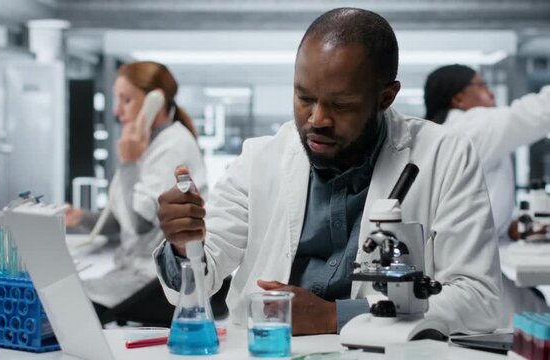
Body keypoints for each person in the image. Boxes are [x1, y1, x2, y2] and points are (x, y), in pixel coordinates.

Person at [153, 8, 501, 335]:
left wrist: (335, 317)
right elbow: (201, 276)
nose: (317, 120)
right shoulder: (259, 159)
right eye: (304, 98)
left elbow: (479, 298)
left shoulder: (445, 156)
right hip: (268, 348)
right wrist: (185, 246)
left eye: (342, 104)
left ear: (386, 97)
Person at [65, 61, 208, 324]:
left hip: (154, 282)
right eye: (116, 99)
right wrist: (80, 217)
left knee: (65, 311)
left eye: (126, 99)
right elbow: (121, 223)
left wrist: (129, 163)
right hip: (130, 274)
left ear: (156, 101)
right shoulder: (149, 144)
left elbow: (140, 225)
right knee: (60, 300)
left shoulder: (172, 147)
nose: (116, 110)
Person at [424, 64, 550, 327]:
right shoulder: (473, 124)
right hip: (465, 279)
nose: (490, 93)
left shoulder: (443, 133)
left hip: (447, 271)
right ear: (458, 98)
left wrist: (509, 226)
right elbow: (536, 112)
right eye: (481, 86)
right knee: (535, 318)